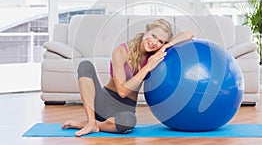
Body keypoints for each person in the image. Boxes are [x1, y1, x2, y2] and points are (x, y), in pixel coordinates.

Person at [62, 18, 194, 136]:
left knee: (128, 122)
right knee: (85, 65)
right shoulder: (121, 52)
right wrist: (147, 67)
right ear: (146, 31)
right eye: (153, 36)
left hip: (125, 109)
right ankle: (91, 121)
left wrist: (165, 47)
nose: (154, 42)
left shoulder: (154, 54)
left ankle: (96, 125)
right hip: (102, 101)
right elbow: (122, 91)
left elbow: (189, 34)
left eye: (160, 41)